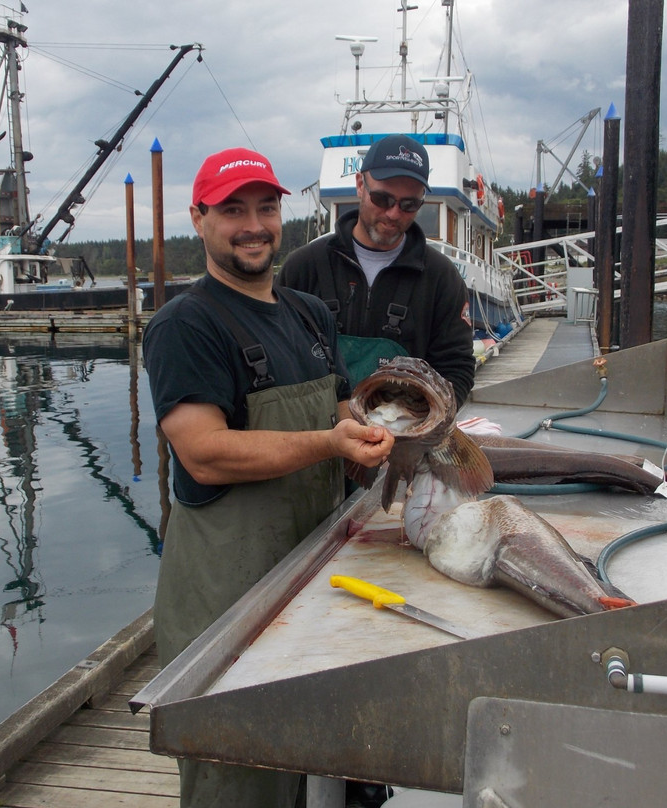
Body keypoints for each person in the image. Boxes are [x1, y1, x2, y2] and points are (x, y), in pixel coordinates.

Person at [142, 147, 394, 808]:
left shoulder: (310, 314)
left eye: (266, 207)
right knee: (237, 773)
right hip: (225, 600)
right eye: (232, 210)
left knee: (314, 765)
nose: (253, 225)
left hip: (313, 580)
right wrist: (330, 440)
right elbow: (205, 453)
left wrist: (383, 437)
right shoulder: (184, 326)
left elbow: (345, 419)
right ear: (198, 219)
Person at [277, 133, 475, 409]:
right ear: (360, 185)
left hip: (403, 436)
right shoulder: (303, 268)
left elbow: (458, 367)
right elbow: (277, 355)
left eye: (409, 205)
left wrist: (422, 421)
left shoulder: (442, 278)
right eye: (382, 199)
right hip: (317, 436)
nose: (393, 214)